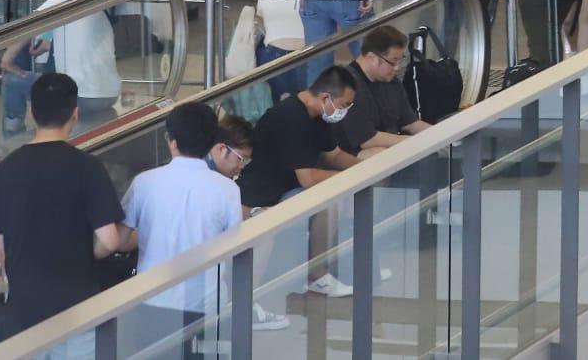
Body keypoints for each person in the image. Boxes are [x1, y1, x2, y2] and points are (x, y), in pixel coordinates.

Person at [0, 73, 126, 344]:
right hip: (78, 309)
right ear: (75, 114)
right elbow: (109, 241)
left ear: (31, 111)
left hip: (24, 311)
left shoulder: (4, 170)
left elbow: (0, 247)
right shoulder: (89, 168)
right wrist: (88, 252)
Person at [118, 103, 245, 357]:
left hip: (151, 298)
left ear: (171, 141)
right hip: (205, 302)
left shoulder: (145, 183)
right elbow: (234, 249)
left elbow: (120, 241)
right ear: (211, 142)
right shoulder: (227, 189)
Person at [236, 66, 362, 295]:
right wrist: (353, 177)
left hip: (285, 189)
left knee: (334, 197)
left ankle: (322, 272)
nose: (346, 111)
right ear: (326, 97)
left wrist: (369, 168)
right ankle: (317, 275)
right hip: (260, 197)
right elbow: (308, 178)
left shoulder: (319, 116)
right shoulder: (289, 117)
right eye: (345, 105)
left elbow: (334, 155)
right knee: (330, 198)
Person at [1, 0, 121, 139]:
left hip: (81, 93)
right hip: (109, 94)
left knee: (12, 81)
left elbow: (28, 26)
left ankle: (12, 139)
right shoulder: (95, 0)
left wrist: (7, 60)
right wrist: (48, 45)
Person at [330, 25, 432, 157]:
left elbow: (410, 123)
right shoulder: (347, 86)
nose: (397, 68)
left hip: (388, 142)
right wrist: (414, 142)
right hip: (352, 152)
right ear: (372, 57)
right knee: (381, 155)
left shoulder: (390, 79)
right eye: (393, 62)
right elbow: (366, 140)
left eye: (400, 61)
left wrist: (439, 136)